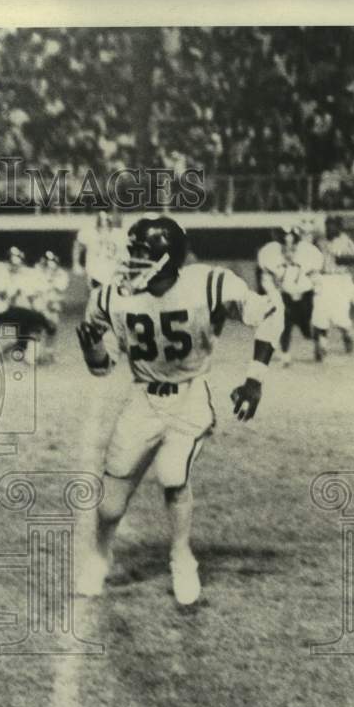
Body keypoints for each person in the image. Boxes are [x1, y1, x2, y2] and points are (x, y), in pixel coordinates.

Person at [75, 216, 281, 604]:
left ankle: (182, 557)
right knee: (110, 502)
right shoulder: (110, 297)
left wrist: (255, 379)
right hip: (143, 398)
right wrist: (93, 350)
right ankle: (100, 554)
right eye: (131, 252)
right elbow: (102, 367)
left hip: (190, 394)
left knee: (173, 476)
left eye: (141, 253)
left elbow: (269, 313)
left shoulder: (207, 284)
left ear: (167, 258)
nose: (132, 261)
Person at [257, 225, 324, 365]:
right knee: (284, 324)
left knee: (307, 329)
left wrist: (317, 292)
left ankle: (318, 341)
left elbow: (315, 276)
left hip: (305, 294)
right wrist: (273, 294)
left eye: (292, 246)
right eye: (285, 246)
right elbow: (267, 279)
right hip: (285, 295)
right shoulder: (271, 256)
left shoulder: (308, 255)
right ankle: (285, 354)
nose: (289, 250)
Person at [0, 246, 50, 360]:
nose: (15, 266)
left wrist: (40, 310)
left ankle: (23, 350)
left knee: (33, 320)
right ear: (6, 261)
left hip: (9, 309)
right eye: (12, 262)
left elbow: (30, 295)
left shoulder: (23, 275)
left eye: (18, 263)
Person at [312, 215, 354, 358]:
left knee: (340, 314)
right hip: (323, 279)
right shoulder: (319, 241)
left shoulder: (345, 240)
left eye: (333, 225)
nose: (330, 228)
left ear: (338, 227)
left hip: (341, 280)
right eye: (328, 224)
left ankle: (347, 335)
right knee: (319, 312)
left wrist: (346, 259)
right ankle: (321, 345)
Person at [73, 211, 124, 289]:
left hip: (113, 272)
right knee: (95, 296)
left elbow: (123, 252)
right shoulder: (89, 233)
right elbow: (77, 245)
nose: (104, 227)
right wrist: (76, 263)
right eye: (102, 224)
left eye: (106, 223)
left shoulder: (118, 234)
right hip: (94, 272)